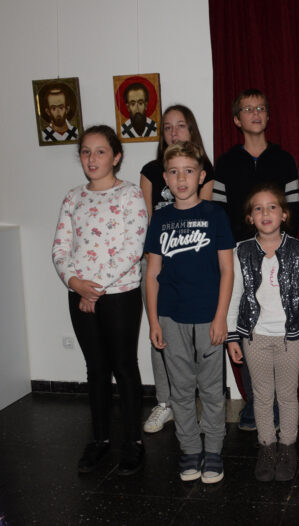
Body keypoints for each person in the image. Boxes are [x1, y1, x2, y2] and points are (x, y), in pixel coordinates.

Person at [51, 125, 147, 475]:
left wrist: (94, 288)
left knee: (123, 366)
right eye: (86, 152)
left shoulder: (130, 195)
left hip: (119, 295)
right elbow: (60, 248)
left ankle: (133, 442)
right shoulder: (73, 197)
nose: (92, 158)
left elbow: (132, 248)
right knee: (95, 368)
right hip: (79, 294)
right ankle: (100, 440)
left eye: (100, 151)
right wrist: (76, 283)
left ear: (116, 156)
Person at [144, 141, 235, 483]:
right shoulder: (161, 219)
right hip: (170, 316)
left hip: (208, 316)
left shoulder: (215, 215)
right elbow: (152, 274)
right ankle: (190, 449)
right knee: (180, 389)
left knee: (210, 388)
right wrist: (153, 321)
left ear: (200, 176)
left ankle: (213, 449)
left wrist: (221, 316)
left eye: (188, 171)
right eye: (174, 172)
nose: (181, 179)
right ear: (166, 179)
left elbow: (227, 270)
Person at [213, 88, 299, 431]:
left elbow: (292, 211)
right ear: (237, 120)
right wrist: (234, 252)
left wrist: (282, 249)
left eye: (261, 108)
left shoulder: (284, 160)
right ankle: (255, 402)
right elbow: (219, 213)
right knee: (249, 324)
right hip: (240, 255)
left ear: (267, 115)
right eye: (248, 109)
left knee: (277, 323)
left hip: (279, 253)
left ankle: (281, 402)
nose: (255, 114)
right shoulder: (225, 163)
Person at [226, 183, 299, 482]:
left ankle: (287, 447)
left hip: (291, 337)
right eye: (258, 208)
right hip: (255, 338)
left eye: (272, 207)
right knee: (262, 396)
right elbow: (235, 295)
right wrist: (232, 335)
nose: (265, 213)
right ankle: (266, 447)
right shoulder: (241, 251)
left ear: (284, 214)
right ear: (250, 217)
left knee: (288, 395)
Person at [139, 104, 214, 434]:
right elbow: (148, 220)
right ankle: (165, 402)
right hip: (158, 263)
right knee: (161, 334)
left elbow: (205, 217)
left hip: (193, 262)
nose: (173, 132)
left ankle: (197, 402)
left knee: (197, 340)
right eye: (167, 127)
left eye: (180, 126)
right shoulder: (150, 171)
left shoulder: (205, 169)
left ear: (191, 130)